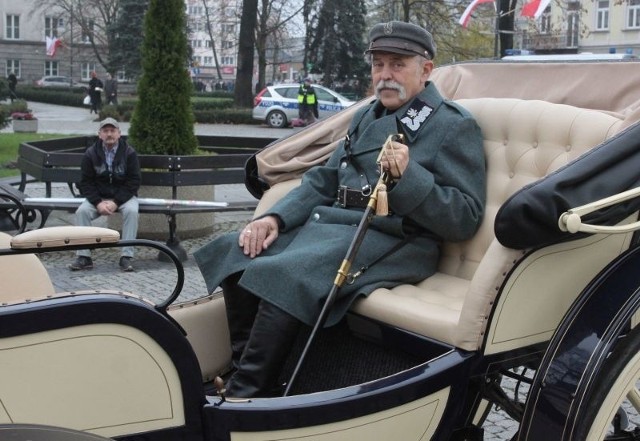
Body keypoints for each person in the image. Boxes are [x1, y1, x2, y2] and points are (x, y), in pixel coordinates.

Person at [194, 21, 486, 398]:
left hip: (396, 239)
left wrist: (408, 176)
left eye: (397, 64)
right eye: (378, 65)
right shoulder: (368, 115)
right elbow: (325, 179)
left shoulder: (451, 125)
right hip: (335, 223)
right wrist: (273, 218)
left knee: (288, 272)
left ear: (425, 70)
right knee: (237, 249)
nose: (385, 76)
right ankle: (249, 371)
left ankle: (245, 394)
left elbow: (464, 217)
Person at [69, 118, 141, 272]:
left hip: (124, 197)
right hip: (99, 197)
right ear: (99, 134)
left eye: (112, 131)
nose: (109, 134)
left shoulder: (129, 153)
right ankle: (84, 256)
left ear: (119, 134)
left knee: (132, 211)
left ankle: (126, 256)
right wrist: (97, 203)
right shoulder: (90, 154)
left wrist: (116, 202)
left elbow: (134, 181)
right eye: (105, 131)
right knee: (82, 212)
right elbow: (86, 182)